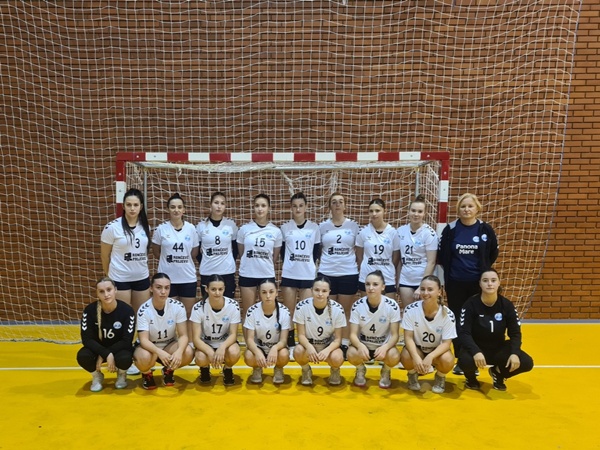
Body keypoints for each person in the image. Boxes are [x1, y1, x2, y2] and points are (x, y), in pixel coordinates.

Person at [438, 193, 499, 374]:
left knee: (476, 320)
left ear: (477, 208)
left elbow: (492, 253)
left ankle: (476, 357)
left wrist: (483, 273)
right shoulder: (450, 229)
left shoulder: (485, 230)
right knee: (458, 320)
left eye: (470, 206)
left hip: (477, 284)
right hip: (455, 283)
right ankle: (461, 359)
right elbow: (443, 255)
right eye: (463, 206)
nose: (466, 209)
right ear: (458, 209)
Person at [457, 269, 534, 391]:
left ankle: (498, 373)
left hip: (498, 348)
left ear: (499, 283)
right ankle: (471, 379)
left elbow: (515, 333)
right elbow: (464, 333)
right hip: (476, 348)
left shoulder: (506, 305)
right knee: (465, 361)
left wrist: (514, 353)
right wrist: (476, 351)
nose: (489, 284)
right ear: (480, 284)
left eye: (493, 280)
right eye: (485, 280)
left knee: (526, 362)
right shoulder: (470, 304)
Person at [133, 273, 194, 389]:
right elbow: (143, 340)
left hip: (169, 345)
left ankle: (168, 371)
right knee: (144, 357)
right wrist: (159, 352)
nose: (163, 292)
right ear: (151, 288)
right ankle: (146, 374)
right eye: (159, 287)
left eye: (167, 288)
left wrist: (179, 351)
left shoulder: (178, 306)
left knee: (188, 352)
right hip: (149, 348)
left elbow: (183, 335)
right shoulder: (144, 310)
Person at [318, 192, 360, 356]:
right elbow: (319, 250)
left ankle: (344, 343)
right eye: (334, 202)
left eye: (340, 201)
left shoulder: (353, 226)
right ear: (330, 206)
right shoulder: (322, 226)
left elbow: (359, 251)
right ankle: (330, 341)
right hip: (326, 273)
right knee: (329, 311)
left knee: (345, 311)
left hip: (348, 273)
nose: (337, 204)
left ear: (345, 205)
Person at [76, 277, 136, 392]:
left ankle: (122, 374)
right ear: (97, 294)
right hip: (97, 349)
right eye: (101, 291)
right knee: (83, 356)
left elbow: (127, 340)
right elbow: (87, 339)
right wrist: (105, 353)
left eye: (109, 290)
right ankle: (97, 375)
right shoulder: (90, 310)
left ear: (115, 290)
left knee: (125, 358)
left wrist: (106, 354)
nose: (106, 294)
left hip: (119, 349)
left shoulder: (127, 311)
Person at [280, 192, 321, 353]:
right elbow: (282, 252)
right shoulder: (285, 228)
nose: (298, 209)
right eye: (295, 206)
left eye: (301, 206)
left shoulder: (314, 228)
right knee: (289, 311)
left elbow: (316, 252)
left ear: (306, 207)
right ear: (291, 208)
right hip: (289, 274)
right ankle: (290, 344)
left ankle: (304, 343)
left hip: (307, 275)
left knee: (304, 312)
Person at [400, 275, 456, 394]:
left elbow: (446, 344)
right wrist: (415, 357)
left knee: (447, 359)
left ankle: (440, 377)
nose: (425, 293)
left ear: (439, 292)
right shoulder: (410, 310)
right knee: (406, 356)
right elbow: (408, 338)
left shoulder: (448, 314)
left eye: (430, 289)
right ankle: (412, 375)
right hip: (418, 348)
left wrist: (430, 356)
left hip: (437, 352)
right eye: (422, 289)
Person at [347, 270, 401, 389]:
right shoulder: (357, 305)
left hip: (382, 347)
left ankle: (386, 371)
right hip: (364, 346)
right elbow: (352, 335)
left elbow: (395, 335)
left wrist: (385, 347)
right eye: (368, 284)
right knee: (351, 353)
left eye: (375, 284)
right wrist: (360, 346)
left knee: (394, 356)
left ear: (383, 287)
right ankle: (360, 369)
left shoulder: (392, 305)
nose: (371, 288)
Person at [100, 188, 151, 312]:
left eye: (135, 205)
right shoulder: (112, 227)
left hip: (141, 277)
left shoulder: (146, 227)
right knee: (123, 316)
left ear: (141, 207)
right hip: (120, 278)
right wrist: (109, 276)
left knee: (142, 315)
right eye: (129, 205)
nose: (132, 208)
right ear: (123, 206)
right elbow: (104, 256)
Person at [152, 193, 199, 323]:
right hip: (167, 279)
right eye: (173, 207)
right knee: (169, 314)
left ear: (184, 210)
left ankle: (187, 336)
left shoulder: (191, 228)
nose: (176, 210)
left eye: (179, 207)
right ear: (168, 209)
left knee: (188, 313)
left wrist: (181, 259)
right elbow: (156, 251)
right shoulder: (161, 229)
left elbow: (194, 252)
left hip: (187, 278)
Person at [293, 276, 346, 386]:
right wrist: (309, 347)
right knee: (298, 351)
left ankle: (335, 370)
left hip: (327, 346)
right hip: (309, 345)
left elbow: (338, 340)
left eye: (324, 291)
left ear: (329, 292)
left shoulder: (337, 309)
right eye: (317, 290)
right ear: (311, 290)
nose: (320, 294)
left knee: (337, 358)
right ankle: (306, 370)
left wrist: (327, 351)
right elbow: (301, 335)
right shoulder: (301, 307)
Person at [190, 275, 241, 386]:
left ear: (224, 289)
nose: (217, 293)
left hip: (225, 343)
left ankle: (227, 369)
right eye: (213, 289)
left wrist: (222, 347)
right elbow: (196, 339)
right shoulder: (198, 307)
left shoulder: (233, 305)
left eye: (220, 289)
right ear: (206, 289)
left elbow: (233, 335)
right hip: (206, 344)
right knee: (200, 358)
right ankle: (204, 369)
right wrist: (210, 352)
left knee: (234, 352)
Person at [237, 193, 282, 318]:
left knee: (268, 312)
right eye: (257, 206)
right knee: (248, 312)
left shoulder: (276, 231)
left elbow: (274, 257)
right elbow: (242, 252)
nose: (260, 209)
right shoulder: (244, 229)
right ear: (253, 207)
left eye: (263, 205)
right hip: (248, 273)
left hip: (266, 274)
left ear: (269, 208)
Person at [243, 279, 291, 385]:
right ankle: (257, 368)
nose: (268, 296)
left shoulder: (284, 311)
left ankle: (278, 369)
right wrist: (257, 352)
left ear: (276, 293)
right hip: (259, 347)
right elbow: (249, 339)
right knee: (249, 356)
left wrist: (274, 348)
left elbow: (283, 341)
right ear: (259, 294)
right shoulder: (252, 311)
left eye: (271, 292)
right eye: (264, 292)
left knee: (284, 354)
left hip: (276, 349)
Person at [396, 195, 438, 310]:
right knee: (409, 312)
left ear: (424, 214)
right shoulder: (400, 231)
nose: (416, 214)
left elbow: (431, 262)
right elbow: (399, 260)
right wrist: (398, 280)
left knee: (424, 313)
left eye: (420, 211)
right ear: (408, 211)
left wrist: (422, 285)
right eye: (413, 210)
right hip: (406, 279)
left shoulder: (429, 233)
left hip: (423, 280)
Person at [196, 191, 238, 299]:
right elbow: (196, 252)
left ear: (225, 206)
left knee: (228, 305)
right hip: (207, 272)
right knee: (208, 305)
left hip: (227, 272)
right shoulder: (201, 226)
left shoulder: (231, 225)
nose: (219, 206)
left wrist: (227, 261)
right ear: (210, 204)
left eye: (222, 203)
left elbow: (236, 249)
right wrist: (206, 260)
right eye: (216, 203)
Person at [356, 198, 400, 295]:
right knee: (367, 304)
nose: (374, 214)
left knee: (388, 304)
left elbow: (396, 258)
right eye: (371, 211)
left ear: (385, 211)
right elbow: (359, 256)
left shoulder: (393, 232)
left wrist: (385, 265)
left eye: (377, 211)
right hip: (366, 276)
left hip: (387, 277)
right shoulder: (363, 232)